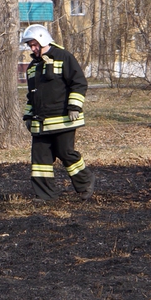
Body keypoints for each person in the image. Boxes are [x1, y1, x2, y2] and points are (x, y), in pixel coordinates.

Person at [22, 24, 93, 199]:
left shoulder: (64, 57)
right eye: (30, 45)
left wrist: (74, 106)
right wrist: (28, 116)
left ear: (43, 39)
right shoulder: (32, 67)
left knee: (65, 153)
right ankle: (45, 196)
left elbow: (78, 83)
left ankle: (85, 182)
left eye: (34, 44)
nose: (32, 48)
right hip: (40, 123)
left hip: (64, 119)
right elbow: (32, 96)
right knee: (40, 160)